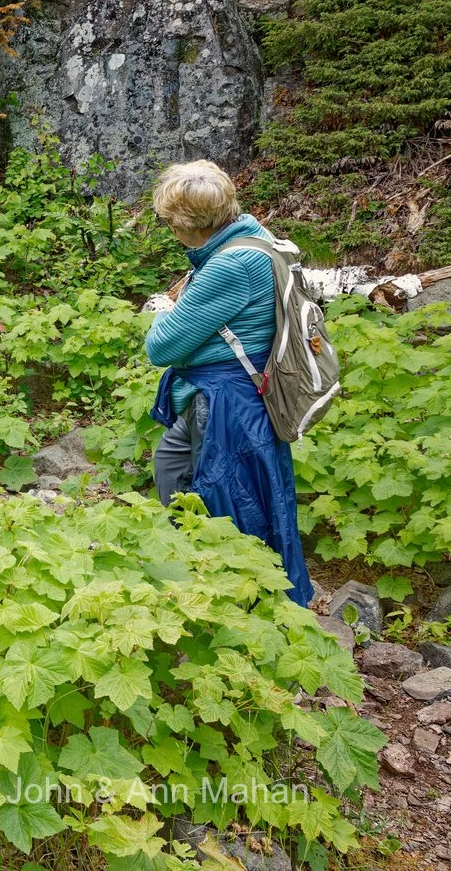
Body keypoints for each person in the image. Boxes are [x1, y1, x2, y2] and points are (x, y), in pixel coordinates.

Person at [144, 160, 313, 606]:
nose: (169, 231)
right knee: (180, 467)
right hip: (240, 393)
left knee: (227, 496)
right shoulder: (254, 237)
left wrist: (166, 315)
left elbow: (161, 347)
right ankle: (201, 572)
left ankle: (233, 596)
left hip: (226, 403)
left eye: (169, 224)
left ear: (187, 225)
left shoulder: (230, 266)